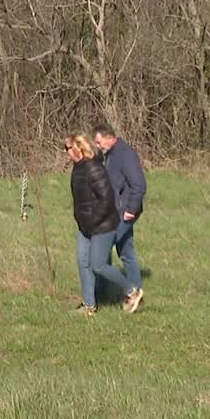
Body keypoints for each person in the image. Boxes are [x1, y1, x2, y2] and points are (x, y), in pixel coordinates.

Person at [65, 133, 141, 314]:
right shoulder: (77, 168)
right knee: (83, 262)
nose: (66, 152)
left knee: (98, 265)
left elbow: (106, 200)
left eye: (68, 148)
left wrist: (93, 220)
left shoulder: (94, 168)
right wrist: (82, 220)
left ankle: (132, 291)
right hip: (85, 226)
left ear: (78, 148)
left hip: (103, 225)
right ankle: (89, 306)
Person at [92, 122, 146, 311]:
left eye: (99, 142)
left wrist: (131, 209)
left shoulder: (125, 154)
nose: (98, 146)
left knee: (99, 260)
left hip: (123, 213)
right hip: (115, 211)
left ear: (109, 137)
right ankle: (136, 293)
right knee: (126, 252)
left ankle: (129, 291)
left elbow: (139, 184)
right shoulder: (109, 154)